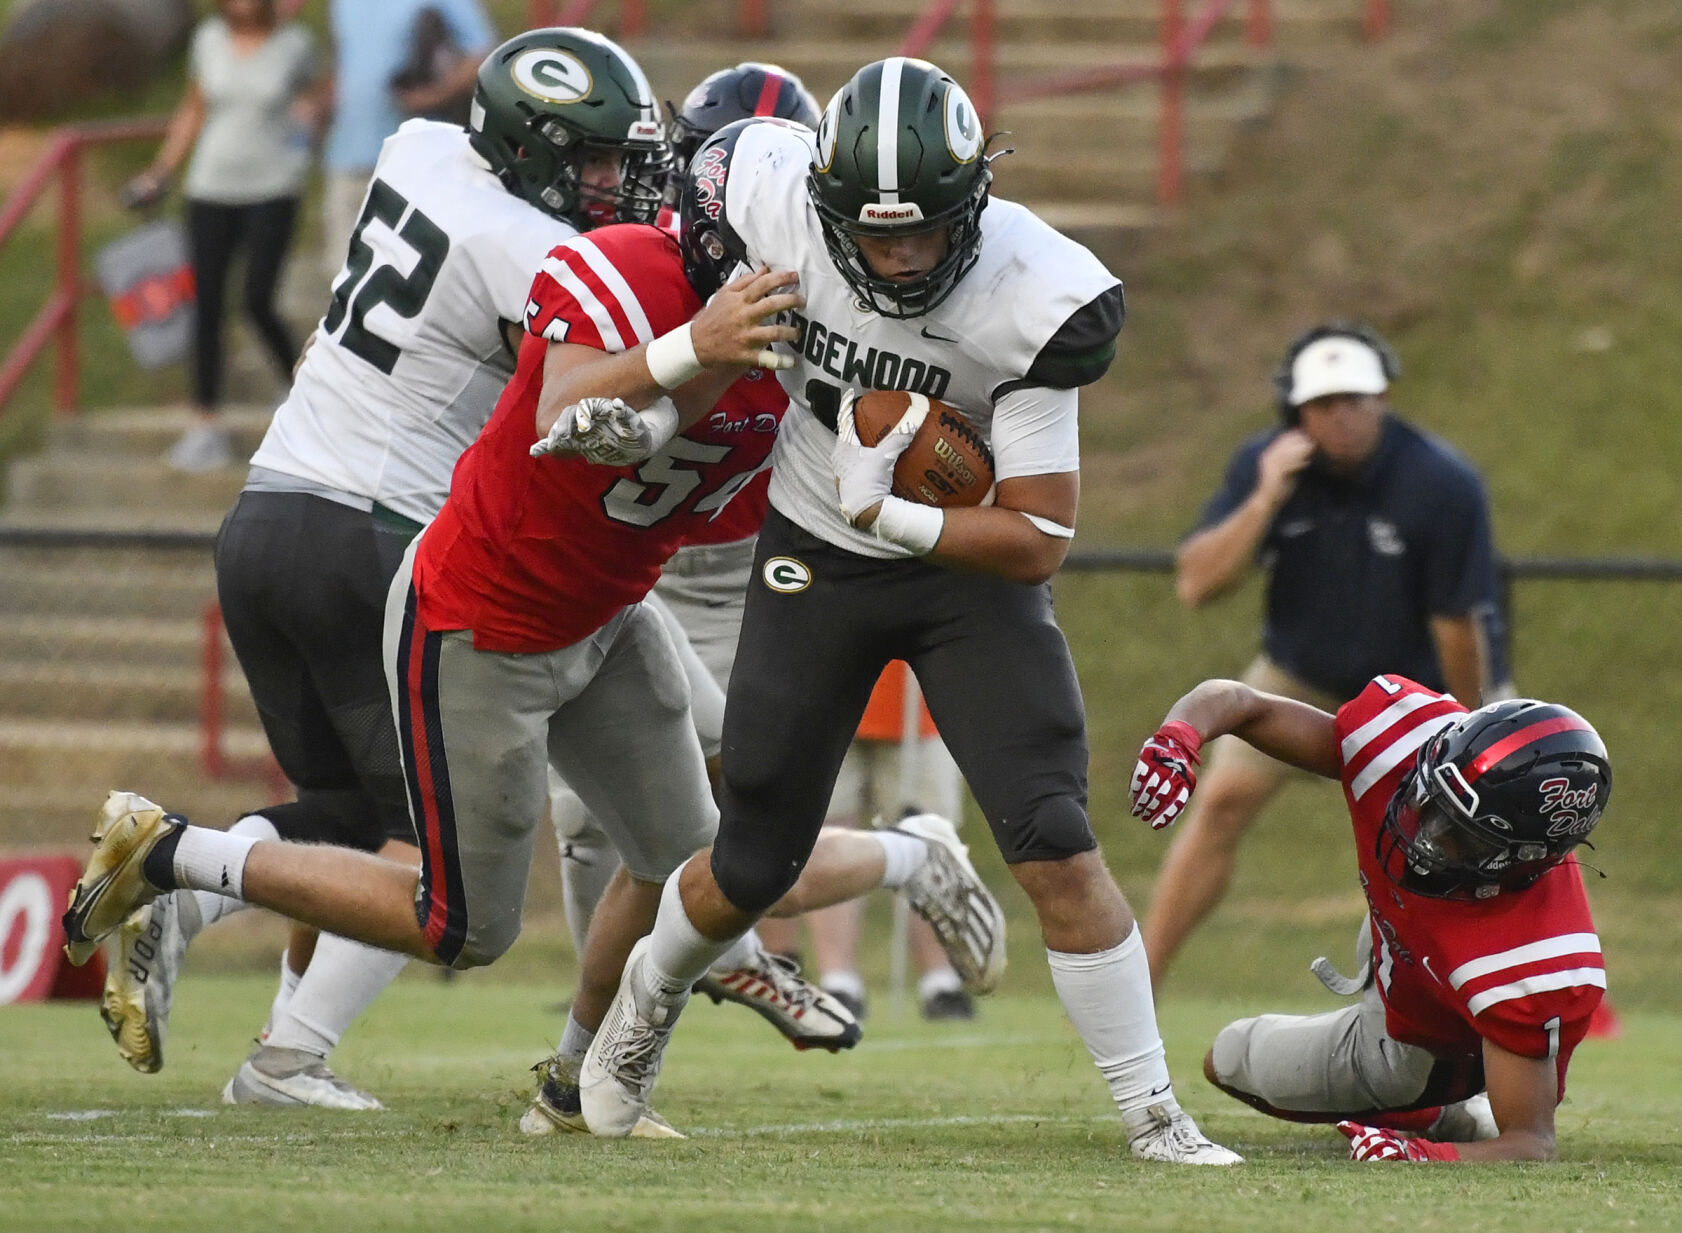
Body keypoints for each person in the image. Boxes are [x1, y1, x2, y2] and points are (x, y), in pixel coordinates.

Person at [66, 109, 1008, 1135]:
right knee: (458, 925)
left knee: (692, 869)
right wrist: (694, 348)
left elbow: (798, 496)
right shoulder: (620, 269)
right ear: (722, 230)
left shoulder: (804, 361)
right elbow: (569, 408)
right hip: (482, 620)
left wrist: (892, 482)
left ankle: (575, 1086)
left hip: (604, 620)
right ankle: (168, 855)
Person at [560, 59, 1239, 1163]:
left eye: (923, 232)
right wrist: (682, 368)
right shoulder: (757, 185)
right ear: (825, 207)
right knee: (752, 860)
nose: (900, 257)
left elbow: (1036, 538)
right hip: (810, 556)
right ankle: (637, 1018)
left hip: (963, 567)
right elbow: (704, 228)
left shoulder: (1037, 293)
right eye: (875, 237)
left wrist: (898, 519)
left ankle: (1152, 1112)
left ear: (972, 203)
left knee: (1053, 839)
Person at [92, 27, 676, 1110]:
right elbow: (585, 385)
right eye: (591, 161)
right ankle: (244, 981)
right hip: (371, 537)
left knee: (346, 813)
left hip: (265, 513)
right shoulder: (537, 254)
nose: (611, 182)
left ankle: (194, 899)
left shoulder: (414, 149)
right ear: (532, 150)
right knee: (433, 856)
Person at [1143, 322, 1511, 987]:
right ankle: (1137, 984)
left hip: (1422, 688)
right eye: (1324, 404)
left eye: (1356, 399)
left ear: (1384, 397)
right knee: (1222, 798)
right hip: (1301, 675)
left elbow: (1458, 625)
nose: (1342, 417)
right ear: (1297, 411)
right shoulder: (1270, 464)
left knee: (1483, 834)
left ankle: (1500, 986)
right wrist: (1266, 496)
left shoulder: (1441, 482)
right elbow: (1198, 583)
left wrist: (1469, 722)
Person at [1128, 674, 1611, 1162]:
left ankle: (1449, 1116)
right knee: (1404, 894)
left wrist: (1423, 1154)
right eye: (1430, 800)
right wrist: (1180, 736)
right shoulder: (1402, 741)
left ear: (1526, 858)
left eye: (1459, 835)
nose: (1424, 832)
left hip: (1428, 1046)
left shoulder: (1532, 956)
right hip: (1401, 949)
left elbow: (1530, 1142)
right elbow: (1242, 704)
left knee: (1230, 1058)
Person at [122, 0, 325, 472]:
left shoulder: (295, 45)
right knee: (207, 305)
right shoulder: (208, 40)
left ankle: (301, 387)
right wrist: (161, 171)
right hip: (210, 187)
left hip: (273, 187)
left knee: (258, 299)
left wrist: (306, 137)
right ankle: (205, 422)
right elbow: (194, 107)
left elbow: (313, 105)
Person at [795, 663, 975, 1023]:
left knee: (928, 838)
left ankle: (941, 982)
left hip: (922, 708)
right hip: (826, 699)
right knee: (828, 835)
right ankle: (839, 984)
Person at [320, 0, 495, 278]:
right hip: (347, 154)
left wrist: (434, 95)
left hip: (417, 158)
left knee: (406, 276)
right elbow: (344, 59)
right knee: (343, 276)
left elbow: (482, 57)